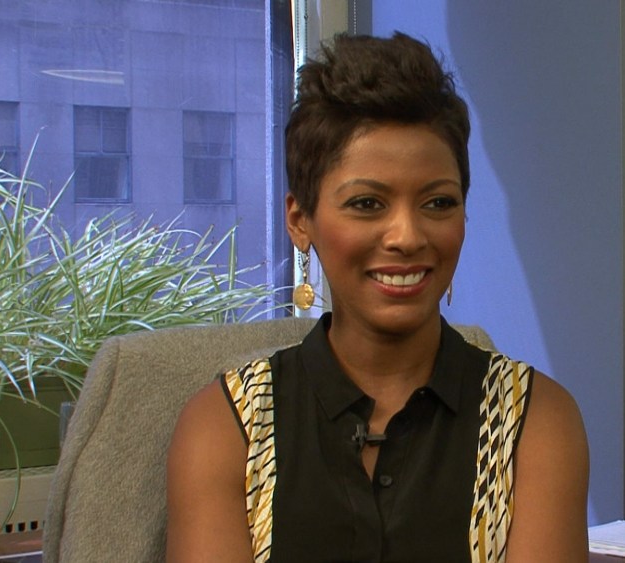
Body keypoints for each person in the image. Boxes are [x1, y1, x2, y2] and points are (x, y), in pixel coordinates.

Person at [166, 32, 589, 562]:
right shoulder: (229, 426)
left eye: (438, 202)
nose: (408, 237)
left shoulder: (534, 420)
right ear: (299, 220)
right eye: (367, 203)